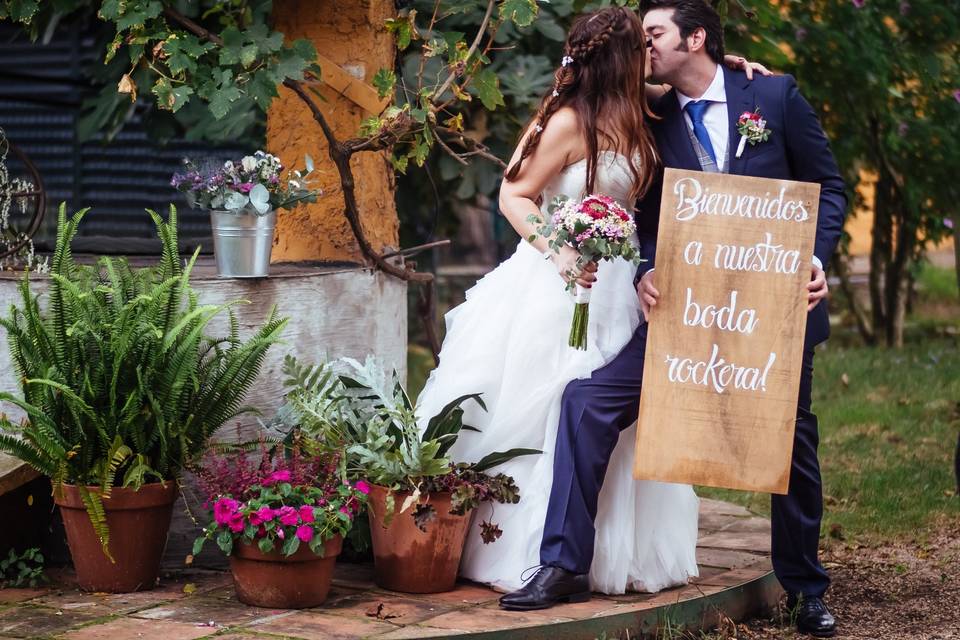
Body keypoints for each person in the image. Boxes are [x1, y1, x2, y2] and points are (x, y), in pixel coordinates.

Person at [500, 2, 847, 638]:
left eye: (655, 32)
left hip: (774, 313)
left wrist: (818, 258)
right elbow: (646, 216)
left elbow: (828, 186)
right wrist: (641, 272)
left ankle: (805, 591)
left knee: (788, 440)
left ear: (695, 37)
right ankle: (561, 563)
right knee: (585, 401)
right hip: (682, 312)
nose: (645, 45)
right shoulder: (648, 114)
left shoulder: (772, 94)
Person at [415, 6, 766, 599]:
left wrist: (725, 65)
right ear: (621, 60)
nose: (650, 56)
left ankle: (606, 548)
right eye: (642, 47)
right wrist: (561, 251)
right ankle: (528, 551)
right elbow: (515, 195)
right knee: (548, 403)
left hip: (622, 286)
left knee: (616, 417)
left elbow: (688, 80)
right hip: (558, 283)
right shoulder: (566, 122)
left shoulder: (643, 109)